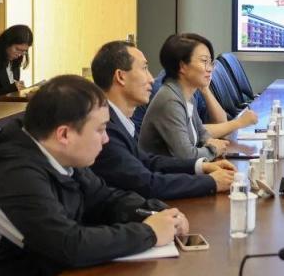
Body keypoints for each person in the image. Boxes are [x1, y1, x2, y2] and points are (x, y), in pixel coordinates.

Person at [0, 75, 187, 276]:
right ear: (64, 135)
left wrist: (155, 211)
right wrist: (149, 232)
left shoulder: (55, 154)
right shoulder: (14, 176)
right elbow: (70, 245)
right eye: (100, 129)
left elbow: (105, 198)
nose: (106, 139)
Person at [89, 40, 236, 199]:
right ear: (120, 77)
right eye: (144, 68)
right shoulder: (106, 130)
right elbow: (147, 184)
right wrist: (210, 182)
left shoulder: (119, 121)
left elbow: (148, 161)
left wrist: (200, 166)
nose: (151, 79)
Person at [139, 33, 238, 160]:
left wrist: (211, 142)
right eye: (204, 61)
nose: (210, 69)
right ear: (182, 66)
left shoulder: (186, 95)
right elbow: (186, 156)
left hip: (182, 170)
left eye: (210, 63)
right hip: (166, 172)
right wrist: (214, 150)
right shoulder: (170, 100)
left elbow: (201, 133)